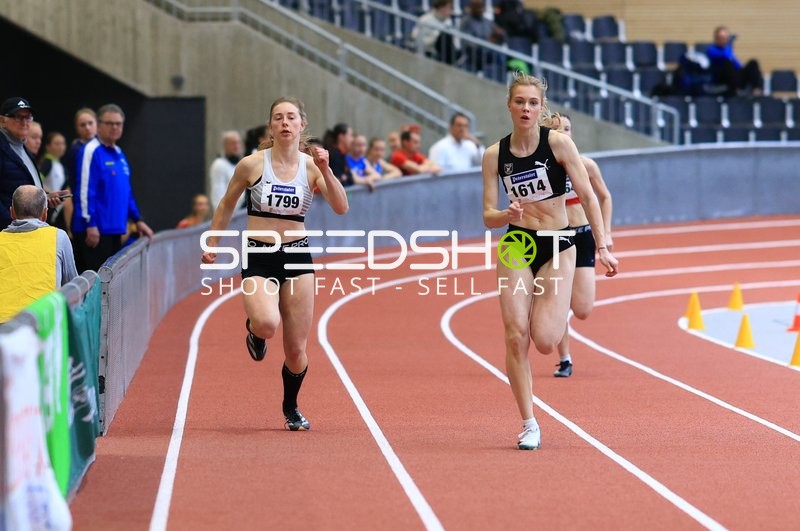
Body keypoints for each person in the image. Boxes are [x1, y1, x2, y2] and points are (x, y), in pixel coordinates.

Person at [481, 73, 618, 450]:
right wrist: (504, 215)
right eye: (519, 102)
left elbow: (590, 197)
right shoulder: (495, 154)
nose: (526, 108)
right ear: (509, 105)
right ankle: (529, 423)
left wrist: (603, 245)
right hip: (517, 242)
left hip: (559, 242)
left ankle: (552, 324)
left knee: (543, 340)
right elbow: (487, 216)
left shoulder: (558, 144)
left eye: (532, 103)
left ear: (541, 109)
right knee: (514, 336)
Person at [201, 97, 348, 431]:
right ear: (271, 126)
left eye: (291, 117)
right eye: (278, 118)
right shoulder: (252, 165)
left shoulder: (311, 167)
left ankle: (291, 406)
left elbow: (341, 207)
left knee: (296, 349)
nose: (284, 123)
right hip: (259, 252)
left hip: (297, 254)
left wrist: (326, 169)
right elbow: (225, 205)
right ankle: (254, 331)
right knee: (267, 323)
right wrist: (211, 241)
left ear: (301, 125)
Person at [551, 115, 613, 378]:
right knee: (559, 301)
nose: (562, 133)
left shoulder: (586, 165)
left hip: (584, 235)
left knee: (583, 309)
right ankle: (564, 358)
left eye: (566, 128)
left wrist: (606, 235)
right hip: (556, 238)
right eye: (555, 130)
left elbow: (605, 197)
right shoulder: (544, 168)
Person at [71, 103, 154, 272]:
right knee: (95, 287)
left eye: (118, 123)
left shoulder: (119, 153)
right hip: (94, 232)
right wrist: (90, 224)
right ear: (99, 125)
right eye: (110, 123)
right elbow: (85, 190)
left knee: (109, 287)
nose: (115, 127)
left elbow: (126, 191)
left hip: (114, 229)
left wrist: (138, 220)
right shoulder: (91, 151)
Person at [0, 185, 78, 323]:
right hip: (45, 324)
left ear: (12, 212)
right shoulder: (58, 237)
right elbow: (73, 285)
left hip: (4, 328)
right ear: (45, 214)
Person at [0, 97, 65, 230]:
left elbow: (22, 189)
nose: (24, 122)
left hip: (30, 229)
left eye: (28, 117)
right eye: (18, 117)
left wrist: (43, 198)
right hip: (10, 233)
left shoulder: (23, 148)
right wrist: (11, 225)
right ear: (2, 120)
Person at [706, 26, 763, 97]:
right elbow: (726, 56)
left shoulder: (728, 49)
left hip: (735, 78)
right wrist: (729, 44)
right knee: (727, 63)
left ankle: (757, 90)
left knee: (753, 63)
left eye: (725, 37)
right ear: (716, 38)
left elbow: (737, 65)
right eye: (721, 37)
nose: (724, 39)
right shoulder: (711, 50)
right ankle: (737, 91)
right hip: (723, 80)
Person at [460, 0, 505, 72]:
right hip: (473, 54)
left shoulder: (487, 22)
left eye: (482, 6)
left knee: (500, 55)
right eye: (477, 7)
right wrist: (488, 41)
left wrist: (499, 34)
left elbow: (501, 34)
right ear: (471, 7)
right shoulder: (466, 22)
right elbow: (468, 42)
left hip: (488, 53)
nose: (480, 9)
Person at [411, 0, 459, 65]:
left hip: (442, 52)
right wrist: (434, 39)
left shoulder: (448, 21)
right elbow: (415, 37)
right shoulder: (426, 19)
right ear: (441, 8)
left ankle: (456, 59)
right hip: (429, 51)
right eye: (449, 8)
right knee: (444, 37)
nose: (451, 11)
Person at [39, 131, 69, 228]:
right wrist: (48, 193)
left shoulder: (61, 166)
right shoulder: (47, 163)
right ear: (48, 146)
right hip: (46, 206)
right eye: (57, 144)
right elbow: (36, 181)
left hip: (57, 207)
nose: (61, 147)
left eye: (63, 143)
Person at [209, 130, 244, 209]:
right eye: (233, 143)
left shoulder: (241, 164)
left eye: (238, 143)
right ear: (225, 146)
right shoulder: (219, 165)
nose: (236, 146)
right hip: (230, 214)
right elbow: (217, 195)